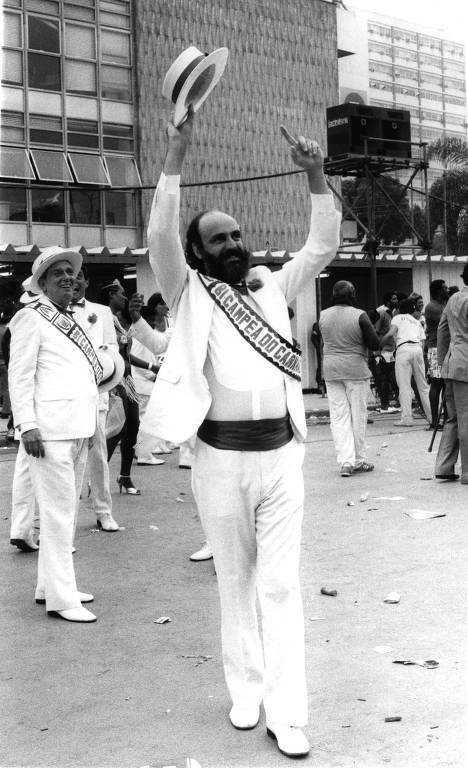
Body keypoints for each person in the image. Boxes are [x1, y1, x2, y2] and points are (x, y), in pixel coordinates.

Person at [139, 109, 340, 758]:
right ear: (198, 253)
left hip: (282, 458)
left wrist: (315, 175)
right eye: (217, 239)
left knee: (280, 586)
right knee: (235, 582)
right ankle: (246, 689)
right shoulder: (188, 291)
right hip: (220, 461)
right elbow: (159, 234)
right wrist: (176, 153)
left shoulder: (272, 286)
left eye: (236, 235)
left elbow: (322, 246)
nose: (232, 244)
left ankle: (287, 712)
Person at [8, 246, 100, 622]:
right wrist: (27, 425)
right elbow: (20, 375)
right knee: (58, 517)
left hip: (76, 428)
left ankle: (49, 586)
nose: (67, 277)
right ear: (42, 283)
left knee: (64, 514)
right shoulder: (30, 317)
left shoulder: (69, 319)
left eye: (70, 272)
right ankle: (63, 601)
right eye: (57, 273)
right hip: (48, 432)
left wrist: (90, 425)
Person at [70, 266, 122, 530]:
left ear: (87, 282)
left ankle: (103, 511)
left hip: (95, 391)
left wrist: (99, 362)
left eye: (79, 276)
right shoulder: (53, 311)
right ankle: (66, 520)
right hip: (65, 395)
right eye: (70, 276)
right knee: (66, 459)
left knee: (98, 455)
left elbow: (112, 348)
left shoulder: (101, 312)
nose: (73, 281)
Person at [319, 281, 379, 477]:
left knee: (339, 417)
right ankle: (359, 460)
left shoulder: (323, 315)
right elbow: (375, 343)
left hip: (331, 370)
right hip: (355, 370)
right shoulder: (359, 315)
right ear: (352, 295)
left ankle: (345, 462)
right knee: (358, 416)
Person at [100, 279, 142, 495]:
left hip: (129, 380)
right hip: (115, 381)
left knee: (133, 427)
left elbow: (127, 356)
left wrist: (152, 366)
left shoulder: (118, 321)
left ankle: (125, 476)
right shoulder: (101, 320)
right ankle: (99, 478)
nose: (125, 298)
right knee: (119, 428)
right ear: (111, 295)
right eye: (122, 294)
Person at [434, 265, 468, 482]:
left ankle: (444, 466)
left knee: (453, 417)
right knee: (466, 418)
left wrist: (442, 364)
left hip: (451, 363)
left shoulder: (454, 299)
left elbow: (442, 331)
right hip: (465, 364)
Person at [380, 297, 431, 427]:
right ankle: (432, 418)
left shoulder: (398, 318)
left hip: (403, 349)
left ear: (399, 309)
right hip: (417, 350)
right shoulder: (417, 322)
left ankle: (407, 419)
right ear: (412, 310)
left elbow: (391, 333)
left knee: (404, 386)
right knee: (423, 386)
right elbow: (423, 342)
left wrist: (379, 344)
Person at [424, 279, 449, 429]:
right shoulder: (432, 307)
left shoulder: (441, 305)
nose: (447, 290)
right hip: (435, 349)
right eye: (445, 288)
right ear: (438, 291)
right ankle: (434, 421)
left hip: (443, 348)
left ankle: (446, 419)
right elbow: (448, 321)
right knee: (437, 384)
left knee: (446, 385)